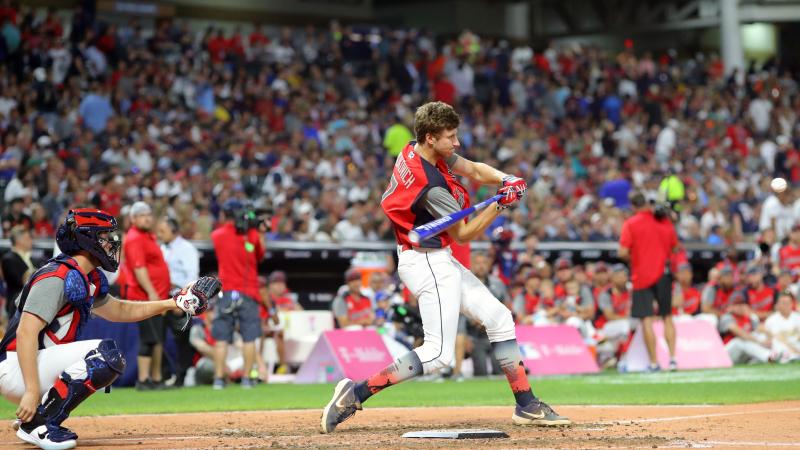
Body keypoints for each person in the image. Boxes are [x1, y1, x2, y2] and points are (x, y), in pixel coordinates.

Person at [321, 101, 570, 434]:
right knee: (438, 355)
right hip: (427, 262)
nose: (456, 142)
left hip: (432, 257)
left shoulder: (416, 149)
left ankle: (526, 405)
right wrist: (499, 204)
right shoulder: (432, 187)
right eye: (449, 136)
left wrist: (506, 180)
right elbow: (464, 234)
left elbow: (472, 169)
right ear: (429, 137)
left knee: (499, 318)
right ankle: (355, 393)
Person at [0, 209, 206, 449]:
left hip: (32, 364)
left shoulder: (85, 277)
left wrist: (173, 302)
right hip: (15, 367)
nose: (111, 243)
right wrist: (31, 391)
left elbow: (121, 311)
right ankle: (39, 424)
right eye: (104, 236)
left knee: (106, 355)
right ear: (86, 239)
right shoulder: (57, 275)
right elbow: (26, 333)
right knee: (105, 355)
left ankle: (37, 416)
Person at [618, 192, 679, 372]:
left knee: (646, 319)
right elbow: (675, 246)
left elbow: (622, 252)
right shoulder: (664, 221)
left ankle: (654, 362)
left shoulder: (631, 223)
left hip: (642, 275)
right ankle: (673, 359)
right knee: (667, 316)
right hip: (663, 273)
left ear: (633, 206)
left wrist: (635, 256)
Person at [210, 200, 265, 389]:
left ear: (225, 214)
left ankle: (218, 379)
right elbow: (260, 253)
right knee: (249, 337)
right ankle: (247, 379)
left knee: (221, 338)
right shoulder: (252, 235)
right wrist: (255, 229)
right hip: (248, 292)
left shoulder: (217, 235)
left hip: (226, 292)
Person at [120, 202, 171, 390]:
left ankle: (155, 379)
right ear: (133, 219)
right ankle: (143, 380)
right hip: (144, 296)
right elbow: (139, 268)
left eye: (148, 214)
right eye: (141, 215)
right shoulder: (135, 238)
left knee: (157, 338)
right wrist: (151, 292)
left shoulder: (147, 236)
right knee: (149, 339)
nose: (147, 218)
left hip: (155, 295)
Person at [156, 217, 200, 387]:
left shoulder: (187, 249)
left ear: (173, 230)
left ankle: (182, 377)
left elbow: (192, 277)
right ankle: (166, 374)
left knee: (181, 340)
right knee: (157, 337)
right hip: (162, 298)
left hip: (180, 298)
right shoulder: (162, 248)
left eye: (163, 231)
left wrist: (182, 300)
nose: (160, 235)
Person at [1, 226, 36, 320]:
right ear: (19, 240)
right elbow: (21, 281)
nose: (31, 241)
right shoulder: (9, 259)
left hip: (31, 303)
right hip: (16, 305)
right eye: (28, 238)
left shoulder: (30, 258)